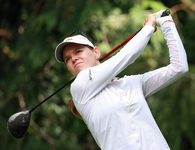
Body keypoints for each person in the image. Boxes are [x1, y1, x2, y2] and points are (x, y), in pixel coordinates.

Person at [55, 10, 188, 150]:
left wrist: (167, 23)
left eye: (78, 51)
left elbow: (179, 67)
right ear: (69, 69)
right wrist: (149, 27)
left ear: (96, 52)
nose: (73, 59)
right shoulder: (79, 86)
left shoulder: (132, 83)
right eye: (67, 59)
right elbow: (127, 55)